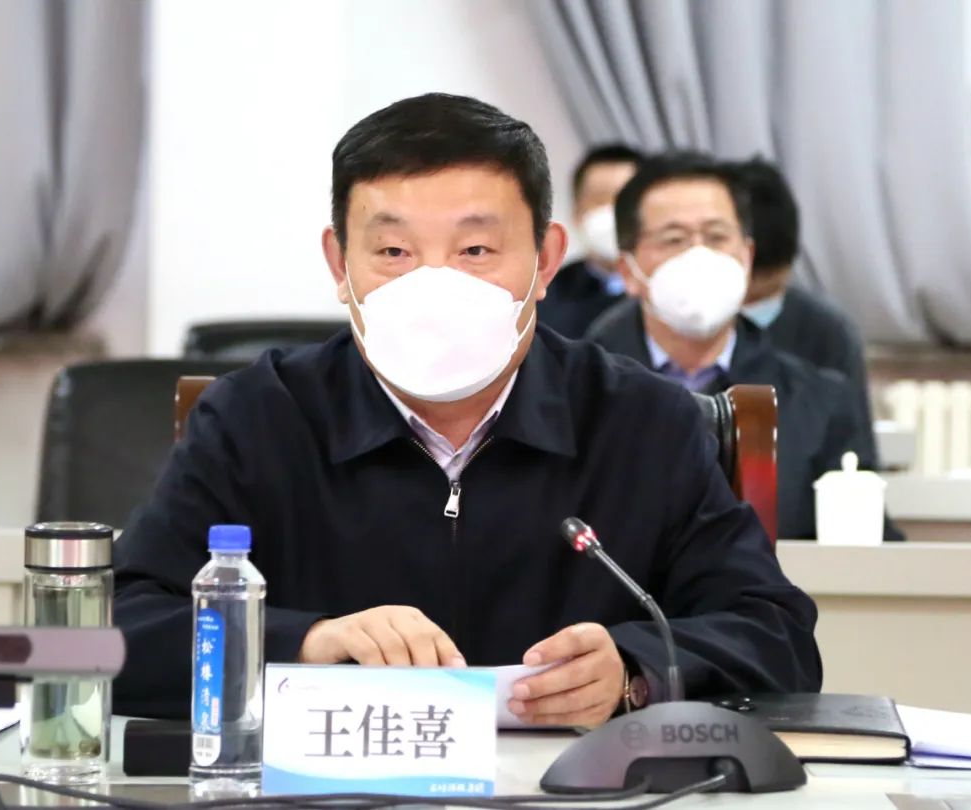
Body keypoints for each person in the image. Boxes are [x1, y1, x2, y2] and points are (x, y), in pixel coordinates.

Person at [113, 95, 821, 724]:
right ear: (339, 265)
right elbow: (112, 634)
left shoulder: (643, 422)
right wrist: (307, 642)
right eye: (394, 251)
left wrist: (635, 671)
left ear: (546, 261)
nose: (434, 286)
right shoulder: (259, 417)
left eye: (476, 249)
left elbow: (776, 636)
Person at [586, 152, 884, 540]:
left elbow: (865, 543)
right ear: (628, 270)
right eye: (674, 239)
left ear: (746, 257)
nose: (699, 255)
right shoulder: (583, 396)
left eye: (716, 237)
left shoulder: (821, 402)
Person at [734, 157, 875, 445]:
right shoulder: (675, 322)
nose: (751, 302)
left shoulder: (829, 331)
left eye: (767, 287)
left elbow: (854, 444)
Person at [536, 145, 644, 338]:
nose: (613, 212)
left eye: (624, 200)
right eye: (600, 200)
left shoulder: (668, 290)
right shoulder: (545, 295)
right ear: (577, 213)